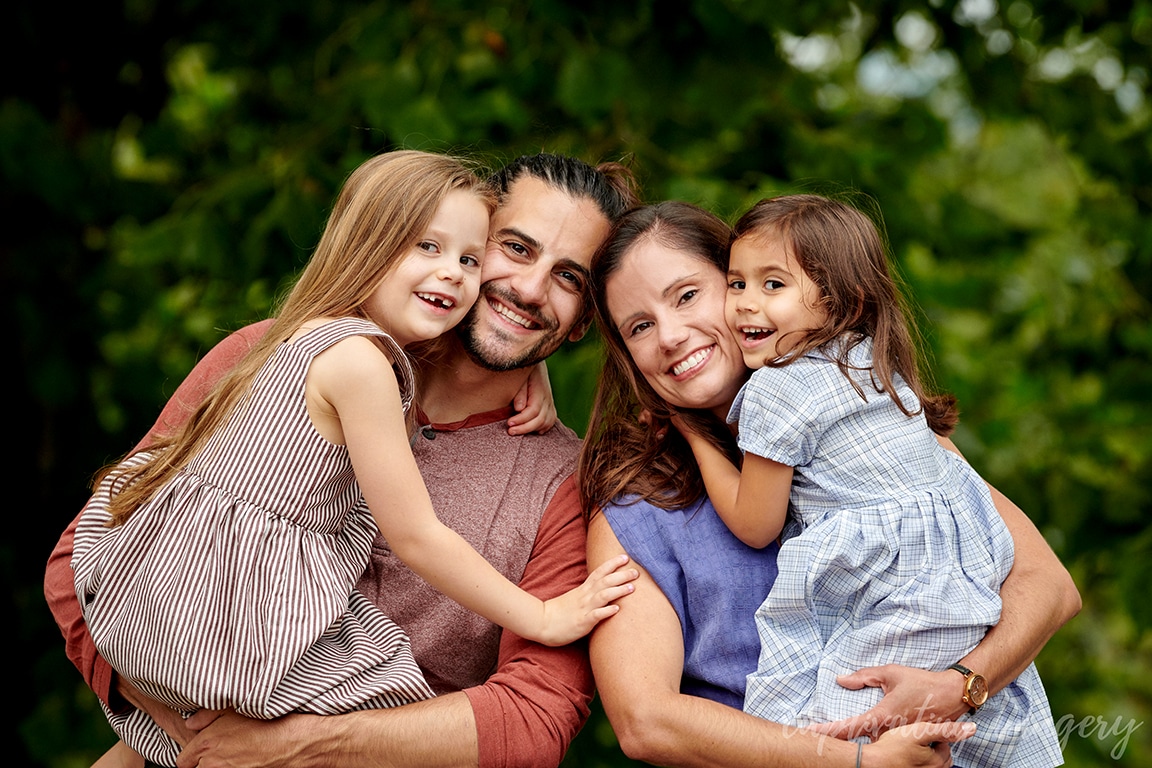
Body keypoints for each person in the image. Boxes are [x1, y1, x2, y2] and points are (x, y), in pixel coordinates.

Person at [46, 151, 641, 768]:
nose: (529, 288)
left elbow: (532, 716)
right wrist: (186, 726)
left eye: (569, 278)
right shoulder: (269, 353)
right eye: (514, 248)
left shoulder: (562, 484)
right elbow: (86, 560)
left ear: (583, 323)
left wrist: (298, 746)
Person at [578, 201, 1081, 767]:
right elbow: (648, 722)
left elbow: (1049, 587)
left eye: (688, 295)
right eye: (639, 327)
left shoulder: (875, 423)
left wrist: (960, 684)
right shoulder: (636, 505)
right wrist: (859, 763)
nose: (669, 336)